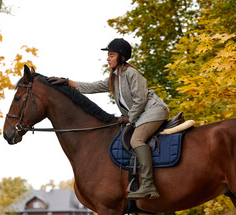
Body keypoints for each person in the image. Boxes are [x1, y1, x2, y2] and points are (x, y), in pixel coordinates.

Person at [48, 38, 169, 199]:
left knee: (137, 141)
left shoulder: (131, 74)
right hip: (141, 115)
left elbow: (140, 99)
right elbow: (93, 86)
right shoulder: (115, 77)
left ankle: (148, 185)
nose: (108, 58)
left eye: (111, 55)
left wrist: (128, 118)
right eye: (108, 55)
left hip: (154, 111)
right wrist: (67, 82)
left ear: (122, 57)